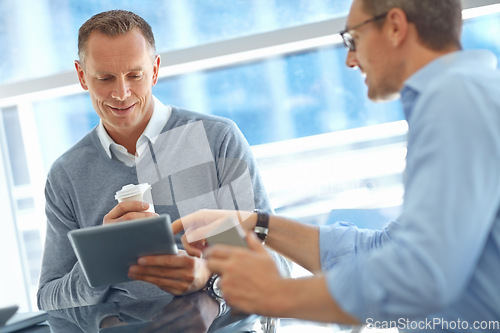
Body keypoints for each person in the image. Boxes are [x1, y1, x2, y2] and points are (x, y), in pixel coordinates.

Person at [169, 0, 500, 329]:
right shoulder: (462, 97)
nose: (350, 59)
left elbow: (422, 274)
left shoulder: (456, 101)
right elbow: (385, 250)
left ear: (396, 26)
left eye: (353, 39)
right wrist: (251, 222)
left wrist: (277, 294)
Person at [37, 10, 289, 311]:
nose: (121, 93)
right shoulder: (67, 174)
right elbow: (48, 297)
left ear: (155, 70)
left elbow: (276, 270)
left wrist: (209, 273)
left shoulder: (216, 140)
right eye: (104, 78)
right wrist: (100, 259)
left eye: (135, 75)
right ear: (82, 76)